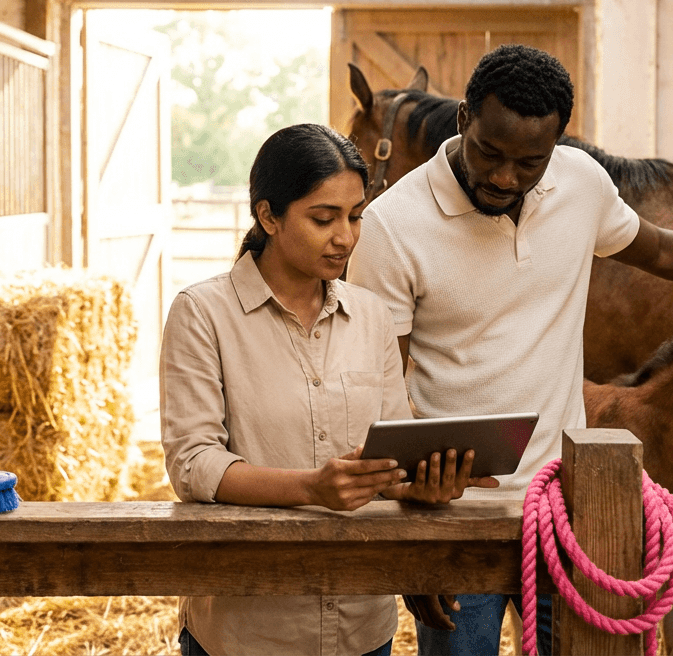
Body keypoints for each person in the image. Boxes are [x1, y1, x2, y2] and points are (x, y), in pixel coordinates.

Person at [346, 44, 673, 656]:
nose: (504, 178)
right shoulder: (392, 225)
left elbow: (660, 249)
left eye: (530, 162)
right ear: (463, 118)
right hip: (457, 511)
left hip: (569, 502)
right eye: (490, 152)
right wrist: (412, 533)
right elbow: (377, 383)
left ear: (558, 146)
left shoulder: (578, 181)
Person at [161, 123, 500, 656]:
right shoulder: (202, 313)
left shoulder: (371, 317)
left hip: (362, 628)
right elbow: (193, 463)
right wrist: (311, 488)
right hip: (248, 631)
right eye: (324, 218)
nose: (345, 236)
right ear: (268, 216)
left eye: (355, 215)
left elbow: (388, 457)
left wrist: (419, 486)